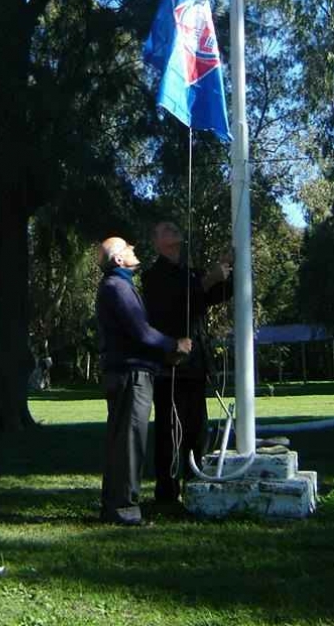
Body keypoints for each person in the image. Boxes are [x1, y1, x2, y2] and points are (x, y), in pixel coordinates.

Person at [96, 235, 191, 526]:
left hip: (126, 372)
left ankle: (114, 506)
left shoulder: (117, 286)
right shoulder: (118, 287)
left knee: (121, 443)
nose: (134, 248)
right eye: (127, 247)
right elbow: (141, 332)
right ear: (118, 260)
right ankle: (124, 509)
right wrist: (175, 345)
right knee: (130, 443)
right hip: (130, 376)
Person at [141, 221, 233, 504]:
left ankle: (196, 488)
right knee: (170, 432)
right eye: (166, 229)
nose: (174, 230)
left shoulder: (190, 273)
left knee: (197, 429)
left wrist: (230, 269)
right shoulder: (153, 276)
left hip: (195, 366)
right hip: (170, 367)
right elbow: (174, 304)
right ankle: (167, 495)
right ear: (156, 242)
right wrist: (209, 280)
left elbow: (214, 295)